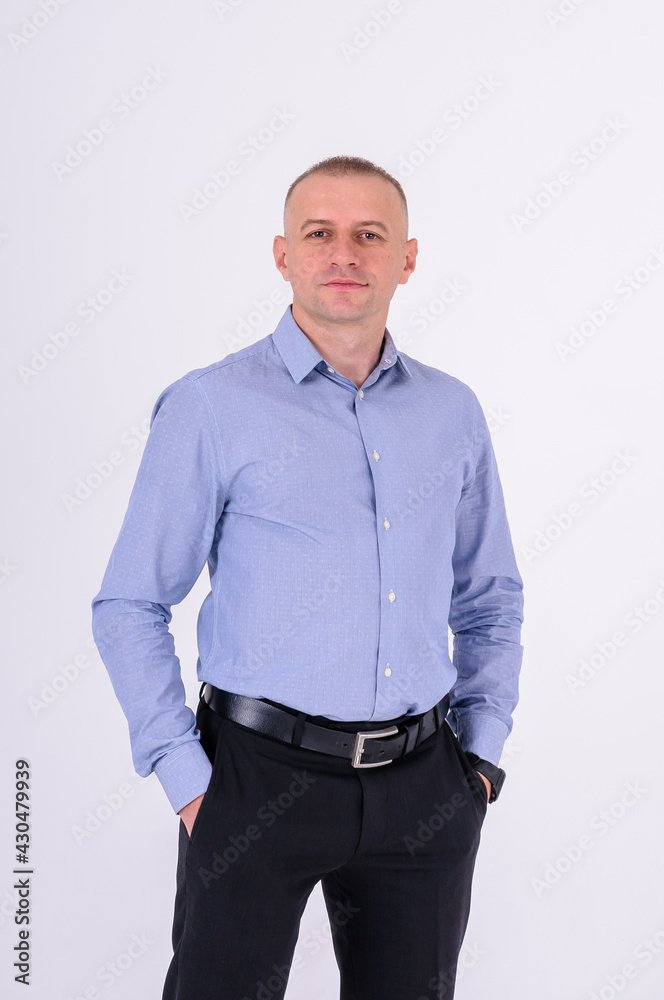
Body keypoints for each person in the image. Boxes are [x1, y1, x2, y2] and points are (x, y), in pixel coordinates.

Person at [91, 154, 524, 1000]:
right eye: (319, 234)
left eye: (370, 235)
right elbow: (130, 603)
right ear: (283, 254)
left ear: (406, 259)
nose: (344, 255)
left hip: (426, 785)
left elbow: (491, 595)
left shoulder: (453, 412)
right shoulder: (211, 406)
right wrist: (190, 785)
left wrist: (482, 757)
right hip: (255, 779)